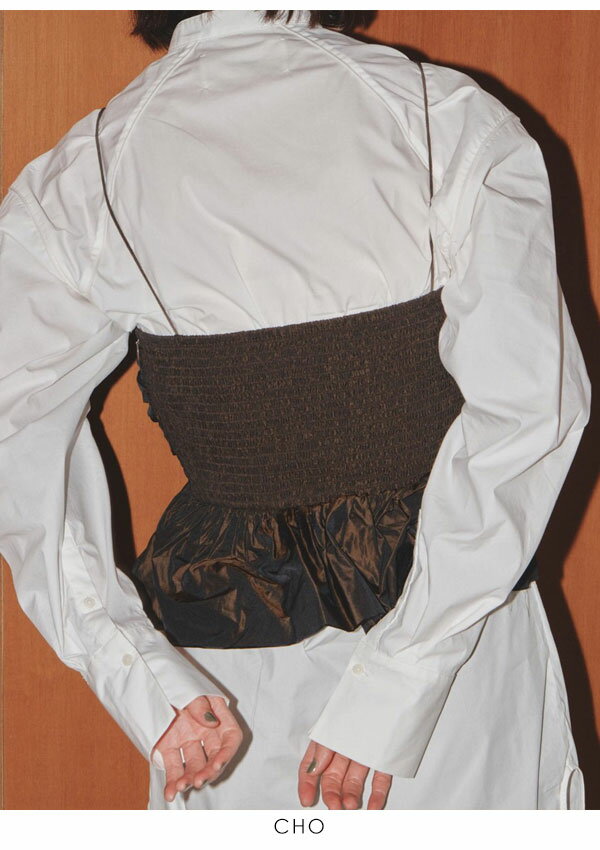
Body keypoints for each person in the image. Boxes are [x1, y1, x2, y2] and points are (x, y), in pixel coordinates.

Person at [0, 10, 591, 811]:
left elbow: (14, 429)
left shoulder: (89, 176)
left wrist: (137, 672)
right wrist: (401, 676)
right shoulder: (441, 118)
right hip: (459, 656)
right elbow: (529, 411)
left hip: (227, 690)